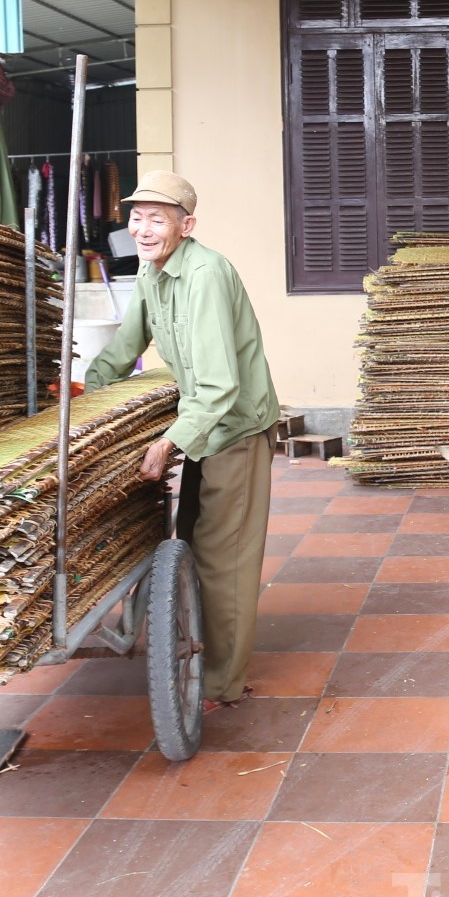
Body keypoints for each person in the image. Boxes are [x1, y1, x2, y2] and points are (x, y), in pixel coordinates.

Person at [86, 170, 280, 706]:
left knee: (225, 558)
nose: (142, 229)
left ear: (186, 225)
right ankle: (197, 652)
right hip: (201, 424)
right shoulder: (152, 273)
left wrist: (170, 440)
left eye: (156, 219)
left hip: (235, 428)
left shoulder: (206, 274)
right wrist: (90, 397)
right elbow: (126, 344)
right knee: (191, 540)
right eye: (136, 218)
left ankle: (221, 682)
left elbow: (221, 383)